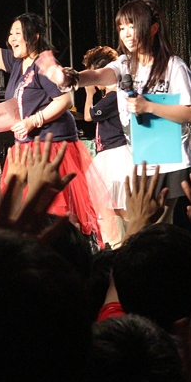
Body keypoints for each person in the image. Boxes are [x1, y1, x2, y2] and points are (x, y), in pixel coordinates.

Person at [0, 13, 107, 239]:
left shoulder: (44, 64)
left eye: (17, 33)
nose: (12, 38)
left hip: (49, 146)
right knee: (22, 215)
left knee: (53, 214)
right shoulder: (18, 63)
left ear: (35, 36)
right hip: (26, 146)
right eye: (11, 34)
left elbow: (66, 99)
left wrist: (34, 120)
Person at [46, 0, 191, 224]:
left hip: (175, 160)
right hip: (143, 161)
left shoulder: (173, 66)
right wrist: (73, 78)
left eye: (132, 26)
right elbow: (98, 75)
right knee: (147, 227)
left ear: (153, 28)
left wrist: (149, 106)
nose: (127, 34)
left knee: (168, 227)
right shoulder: (123, 65)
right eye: (121, 28)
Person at [82, 46, 131, 247]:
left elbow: (88, 115)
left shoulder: (114, 96)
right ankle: (117, 244)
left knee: (119, 206)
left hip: (117, 154)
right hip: (109, 154)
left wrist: (88, 94)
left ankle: (123, 244)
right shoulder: (110, 97)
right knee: (112, 206)